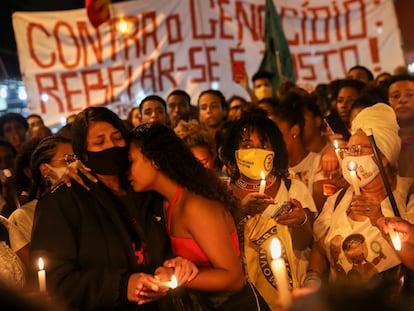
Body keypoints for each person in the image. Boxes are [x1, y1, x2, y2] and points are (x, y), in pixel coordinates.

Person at [30, 107, 195, 311]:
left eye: (117, 138)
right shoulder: (62, 202)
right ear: (84, 153)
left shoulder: (143, 189)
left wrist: (171, 266)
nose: (112, 146)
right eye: (99, 142)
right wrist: (122, 285)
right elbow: (56, 282)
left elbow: (166, 243)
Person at [128, 122, 270, 310]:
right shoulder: (166, 202)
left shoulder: (195, 206)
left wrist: (173, 277)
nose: (127, 171)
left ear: (154, 159)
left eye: (131, 162)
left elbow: (234, 278)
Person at [304, 103, 414, 302]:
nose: (350, 159)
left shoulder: (408, 196)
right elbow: (320, 248)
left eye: (358, 150)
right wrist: (312, 281)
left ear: (383, 156)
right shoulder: (338, 199)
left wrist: (380, 220)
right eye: (349, 150)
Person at [220, 108, 316, 310]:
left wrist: (299, 221)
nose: (257, 150)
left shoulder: (293, 188)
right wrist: (240, 213)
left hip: (290, 297)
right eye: (247, 145)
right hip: (242, 300)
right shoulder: (222, 193)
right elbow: (217, 243)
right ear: (235, 151)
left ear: (274, 150)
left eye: (263, 144)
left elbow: (304, 244)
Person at [9, 135, 76, 270]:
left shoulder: (91, 199)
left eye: (77, 158)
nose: (75, 165)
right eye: (68, 159)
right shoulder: (24, 216)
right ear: (45, 169)